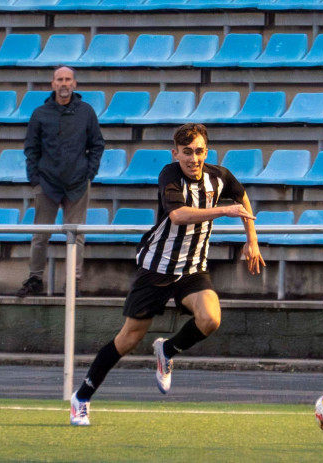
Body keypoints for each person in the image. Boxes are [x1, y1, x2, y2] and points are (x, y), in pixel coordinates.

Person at [69, 123, 266, 426]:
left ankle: (167, 349)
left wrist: (251, 240)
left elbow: (241, 197)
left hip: (192, 270)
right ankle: (81, 398)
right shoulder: (169, 175)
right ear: (175, 154)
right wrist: (223, 212)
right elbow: (179, 215)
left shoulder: (219, 176)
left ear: (206, 152)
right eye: (186, 152)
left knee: (211, 318)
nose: (193, 158)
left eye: (199, 151)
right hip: (156, 270)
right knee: (128, 338)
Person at [16, 65, 105, 297]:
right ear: (53, 84)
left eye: (68, 79)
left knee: (76, 235)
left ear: (74, 84)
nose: (64, 84)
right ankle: (35, 279)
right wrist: (34, 179)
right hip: (46, 183)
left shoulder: (86, 112)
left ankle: (73, 282)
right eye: (60, 80)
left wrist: (89, 173)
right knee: (40, 235)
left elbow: (97, 144)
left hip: (77, 182)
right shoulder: (40, 114)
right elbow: (31, 148)